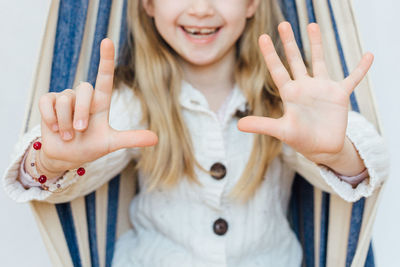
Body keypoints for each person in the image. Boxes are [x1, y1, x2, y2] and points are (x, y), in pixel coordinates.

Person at [2, 0, 389, 266]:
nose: (201, 8)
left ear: (253, 4)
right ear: (148, 4)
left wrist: (336, 152)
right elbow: (35, 174)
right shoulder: (134, 100)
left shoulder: (284, 99)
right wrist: (50, 160)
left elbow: (372, 161)